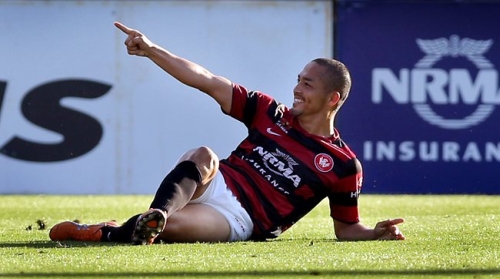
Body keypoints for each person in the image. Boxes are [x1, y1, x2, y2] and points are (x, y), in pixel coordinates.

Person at [49, 22, 406, 245]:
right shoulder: (269, 112)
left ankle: (105, 231)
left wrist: (375, 233)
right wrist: (152, 50)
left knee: (171, 230)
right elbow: (206, 80)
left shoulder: (344, 165)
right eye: (298, 80)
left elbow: (346, 229)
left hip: (240, 219)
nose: (296, 89)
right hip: (217, 183)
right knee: (203, 154)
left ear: (333, 99)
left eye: (307, 84)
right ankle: (153, 215)